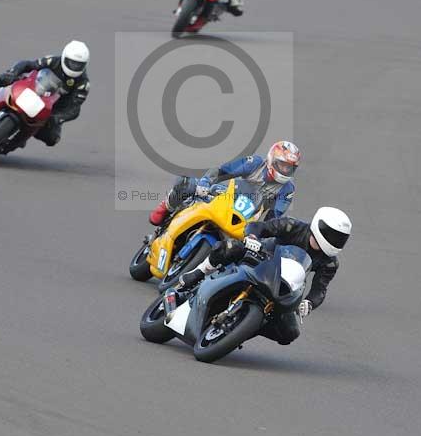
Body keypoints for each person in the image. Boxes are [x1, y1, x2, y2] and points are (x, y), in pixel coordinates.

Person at [176, 207, 352, 345]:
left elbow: (320, 289)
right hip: (260, 259)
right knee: (230, 247)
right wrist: (252, 237)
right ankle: (199, 272)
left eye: (340, 238)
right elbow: (261, 227)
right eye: (332, 235)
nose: (335, 241)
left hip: (284, 283)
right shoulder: (293, 226)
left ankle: (244, 327)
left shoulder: (330, 263)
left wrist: (309, 303)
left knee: (290, 333)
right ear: (319, 226)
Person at [149, 141, 301, 226]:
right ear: (272, 160)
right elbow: (223, 170)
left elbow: (274, 217)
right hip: (229, 196)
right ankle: (166, 206)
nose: (285, 170)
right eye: (282, 165)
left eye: (289, 167)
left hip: (248, 218)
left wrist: (262, 233)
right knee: (187, 184)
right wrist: (205, 182)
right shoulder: (255, 163)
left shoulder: (287, 189)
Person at [0, 40, 90, 147]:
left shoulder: (83, 84)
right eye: (72, 63)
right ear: (64, 57)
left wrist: (57, 118)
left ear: (85, 64)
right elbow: (28, 64)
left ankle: (20, 138)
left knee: (52, 139)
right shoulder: (53, 61)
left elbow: (74, 109)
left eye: (78, 64)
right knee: (3, 79)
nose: (74, 67)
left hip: (51, 110)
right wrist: (13, 73)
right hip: (35, 90)